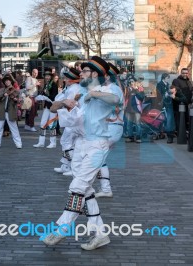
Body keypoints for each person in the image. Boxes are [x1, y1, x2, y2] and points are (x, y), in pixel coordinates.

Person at [43, 56, 119, 251]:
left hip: (97, 145)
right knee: (86, 191)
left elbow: (116, 99)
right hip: (80, 144)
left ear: (94, 74)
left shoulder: (108, 88)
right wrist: (64, 105)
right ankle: (100, 234)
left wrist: (94, 94)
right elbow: (55, 108)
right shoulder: (81, 93)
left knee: (77, 186)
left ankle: (61, 227)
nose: (81, 74)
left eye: (84, 71)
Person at [95, 62, 125, 198]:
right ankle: (105, 189)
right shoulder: (111, 88)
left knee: (98, 158)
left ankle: (105, 189)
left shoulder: (114, 89)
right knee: (100, 159)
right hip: (110, 128)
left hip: (112, 128)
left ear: (107, 76)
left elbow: (113, 104)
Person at [52, 68, 82, 175]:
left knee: (67, 142)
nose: (64, 79)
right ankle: (66, 166)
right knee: (67, 142)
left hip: (72, 119)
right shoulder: (71, 88)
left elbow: (69, 104)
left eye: (66, 77)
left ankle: (73, 168)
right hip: (71, 118)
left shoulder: (73, 88)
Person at [0, 74, 22, 149]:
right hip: (2, 111)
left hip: (10, 112)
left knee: (14, 128)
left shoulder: (15, 90)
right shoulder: (2, 89)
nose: (7, 82)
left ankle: (18, 143)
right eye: (6, 81)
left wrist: (16, 100)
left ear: (11, 81)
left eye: (8, 81)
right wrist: (4, 94)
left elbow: (19, 100)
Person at [33, 71, 58, 148]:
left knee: (51, 124)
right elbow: (44, 94)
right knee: (43, 123)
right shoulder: (46, 85)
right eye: (46, 76)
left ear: (51, 77)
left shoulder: (53, 84)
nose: (47, 77)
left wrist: (47, 96)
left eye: (48, 76)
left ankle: (53, 143)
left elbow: (54, 96)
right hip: (47, 106)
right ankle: (41, 142)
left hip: (53, 107)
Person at [171, 68, 192, 134]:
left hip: (187, 104)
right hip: (179, 104)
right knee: (179, 119)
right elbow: (177, 92)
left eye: (186, 73)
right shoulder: (176, 81)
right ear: (181, 73)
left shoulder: (189, 82)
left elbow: (190, 91)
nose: (185, 74)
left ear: (188, 73)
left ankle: (185, 132)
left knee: (186, 119)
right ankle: (179, 133)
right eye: (183, 73)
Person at [124, 77, 145, 143]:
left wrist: (136, 90)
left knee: (138, 123)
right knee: (129, 124)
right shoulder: (128, 89)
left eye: (133, 81)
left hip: (136, 108)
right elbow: (125, 98)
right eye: (130, 82)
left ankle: (138, 137)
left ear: (136, 82)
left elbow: (141, 98)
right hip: (129, 108)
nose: (131, 83)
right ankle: (130, 137)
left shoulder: (140, 88)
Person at [156, 73, 175, 143]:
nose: (168, 79)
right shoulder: (159, 84)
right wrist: (165, 95)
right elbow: (158, 94)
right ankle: (163, 133)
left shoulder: (167, 85)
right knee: (164, 119)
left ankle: (168, 134)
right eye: (167, 78)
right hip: (163, 104)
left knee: (168, 119)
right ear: (164, 78)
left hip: (168, 103)